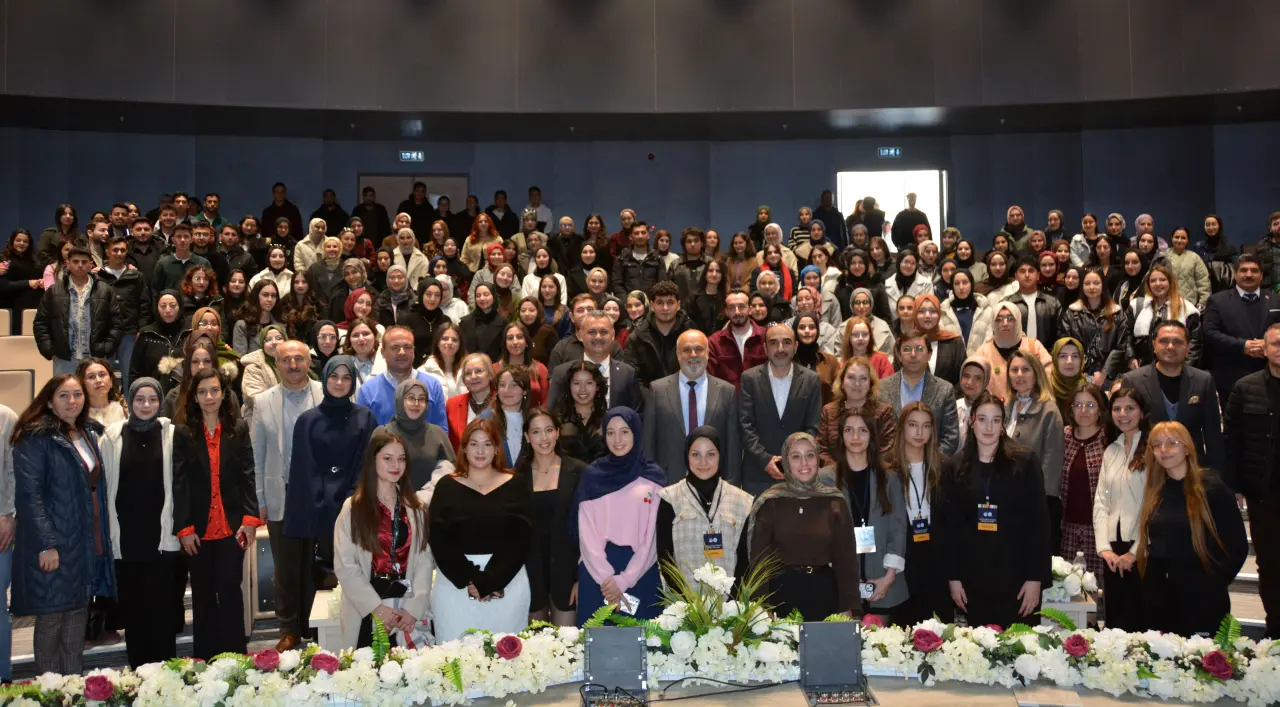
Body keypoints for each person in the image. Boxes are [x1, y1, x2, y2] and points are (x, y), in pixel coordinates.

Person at [11, 375, 115, 675]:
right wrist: (46, 544)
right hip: (54, 542)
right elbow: (29, 496)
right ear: (49, 401)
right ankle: (49, 690)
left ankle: (73, 687)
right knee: (51, 621)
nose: (72, 401)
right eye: (64, 395)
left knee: (76, 621)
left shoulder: (86, 432)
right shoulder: (36, 437)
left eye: (77, 394)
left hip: (83, 540)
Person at [937, 391, 1050, 629]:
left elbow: (1039, 523)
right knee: (981, 647)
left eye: (995, 420)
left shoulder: (1024, 462)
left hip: (1018, 578)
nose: (988, 427)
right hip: (974, 579)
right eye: (982, 419)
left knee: (1022, 648)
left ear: (1003, 425)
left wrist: (1035, 578)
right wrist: (953, 577)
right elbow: (950, 528)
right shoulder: (955, 467)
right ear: (971, 421)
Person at [171, 368, 260, 659]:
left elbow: (248, 474)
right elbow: (179, 482)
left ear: (224, 394)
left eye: (214, 390)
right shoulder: (183, 433)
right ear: (194, 397)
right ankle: (205, 659)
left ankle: (236, 658)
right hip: (197, 529)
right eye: (202, 392)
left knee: (231, 591)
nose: (209, 397)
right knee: (203, 594)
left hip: (232, 526)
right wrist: (184, 528)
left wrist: (250, 520)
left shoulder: (239, 428)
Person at [284, 355, 377, 632]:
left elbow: (369, 463)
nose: (339, 382)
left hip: (357, 508)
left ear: (353, 382)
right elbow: (304, 471)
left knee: (360, 573)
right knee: (322, 581)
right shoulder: (308, 421)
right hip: (321, 510)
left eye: (346, 377)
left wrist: (352, 498)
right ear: (325, 379)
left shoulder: (365, 418)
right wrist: (327, 502)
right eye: (334, 377)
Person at [1136, 421, 1247, 636]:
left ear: (1187, 447)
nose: (1163, 450)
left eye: (1172, 443)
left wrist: (1214, 583)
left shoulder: (1211, 487)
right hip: (1163, 600)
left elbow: (1237, 544)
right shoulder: (1156, 489)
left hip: (1202, 599)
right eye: (1157, 445)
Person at [99, 378, 179, 667]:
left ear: (160, 402)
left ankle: (167, 676)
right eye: (140, 399)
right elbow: (104, 486)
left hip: (162, 536)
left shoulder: (172, 434)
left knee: (163, 611)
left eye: (152, 399)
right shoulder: (112, 437)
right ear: (130, 402)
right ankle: (139, 674)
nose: (146, 405)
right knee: (135, 612)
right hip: (127, 536)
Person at [250, 341, 323, 650]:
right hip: (282, 493)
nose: (293, 365)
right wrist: (260, 499)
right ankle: (288, 628)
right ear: (276, 364)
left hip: (320, 494)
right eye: (286, 360)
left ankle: (315, 624)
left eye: (298, 358)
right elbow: (257, 454)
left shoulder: (326, 393)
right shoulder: (263, 401)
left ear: (309, 362)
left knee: (318, 563)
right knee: (287, 567)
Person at [430, 418, 532, 639]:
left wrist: (491, 580)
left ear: (496, 449)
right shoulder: (446, 486)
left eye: (487, 444)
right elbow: (439, 539)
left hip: (507, 583)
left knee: (506, 654)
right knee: (455, 654)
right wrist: (472, 579)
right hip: (456, 585)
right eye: (474, 444)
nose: (480, 451)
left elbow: (521, 538)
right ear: (464, 448)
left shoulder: (515, 483)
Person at [333, 429, 434, 649]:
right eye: (387, 458)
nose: (395, 465)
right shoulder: (354, 508)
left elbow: (425, 561)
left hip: (406, 609)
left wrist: (413, 609)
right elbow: (345, 566)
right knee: (367, 668)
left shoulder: (416, 508)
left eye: (401, 459)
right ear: (373, 461)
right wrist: (377, 608)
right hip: (368, 608)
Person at [745, 432, 856, 620]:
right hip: (780, 596)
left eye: (810, 455)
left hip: (824, 595)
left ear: (818, 459)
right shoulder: (770, 502)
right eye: (796, 457)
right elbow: (759, 562)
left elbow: (846, 561)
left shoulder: (834, 501)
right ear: (786, 462)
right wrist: (762, 607)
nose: (804, 463)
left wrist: (849, 606)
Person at [573, 408, 665, 622]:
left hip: (641, 572)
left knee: (647, 640)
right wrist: (607, 579)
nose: (617, 440)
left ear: (636, 433)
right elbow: (586, 533)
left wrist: (624, 580)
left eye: (624, 432)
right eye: (610, 432)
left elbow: (652, 538)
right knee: (597, 640)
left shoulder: (653, 477)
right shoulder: (592, 476)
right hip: (597, 577)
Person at [1226, 323, 1280, 635]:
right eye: (1276, 344)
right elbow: (1232, 440)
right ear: (1264, 349)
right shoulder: (1245, 388)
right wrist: (1235, 485)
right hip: (1263, 494)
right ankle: (1275, 631)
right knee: (1269, 565)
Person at [830, 409, 908, 620]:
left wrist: (888, 578)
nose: (855, 437)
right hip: (841, 585)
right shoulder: (826, 479)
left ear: (872, 435)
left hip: (883, 582)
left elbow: (898, 529)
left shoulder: (890, 478)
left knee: (881, 640)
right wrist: (843, 581)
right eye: (849, 430)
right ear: (841, 435)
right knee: (846, 640)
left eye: (862, 430)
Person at [1119, 319, 1224, 471]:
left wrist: (1215, 477)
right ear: (1154, 345)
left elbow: (1213, 436)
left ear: (1188, 347)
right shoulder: (1133, 380)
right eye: (1164, 341)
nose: (1170, 346)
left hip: (1192, 470)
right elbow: (1127, 432)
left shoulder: (1203, 381)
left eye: (1178, 342)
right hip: (1147, 470)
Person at [657, 426, 752, 588]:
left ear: (720, 456)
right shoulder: (670, 498)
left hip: (730, 600)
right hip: (682, 600)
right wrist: (684, 599)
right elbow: (665, 556)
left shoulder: (743, 501)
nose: (703, 462)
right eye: (696, 454)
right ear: (686, 456)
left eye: (711, 454)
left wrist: (733, 599)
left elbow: (745, 557)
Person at [643, 330, 741, 485]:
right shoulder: (657, 390)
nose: (693, 355)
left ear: (708, 353)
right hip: (668, 484)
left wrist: (731, 485)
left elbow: (733, 446)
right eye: (687, 350)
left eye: (699, 349)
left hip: (714, 484)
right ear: (678, 354)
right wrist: (650, 484)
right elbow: (648, 444)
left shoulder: (726, 391)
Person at [518, 409, 586, 626]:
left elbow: (589, 528)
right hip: (530, 571)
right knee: (535, 643)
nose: (544, 438)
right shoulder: (516, 476)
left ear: (557, 432)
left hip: (568, 571)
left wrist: (582, 576)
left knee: (567, 641)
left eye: (548, 430)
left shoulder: (579, 471)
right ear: (527, 436)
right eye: (536, 432)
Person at [738, 324, 823, 495]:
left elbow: (813, 426)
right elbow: (745, 425)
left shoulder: (811, 380)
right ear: (765, 348)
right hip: (758, 473)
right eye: (773, 343)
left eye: (786, 342)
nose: (780, 349)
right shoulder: (749, 379)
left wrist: (793, 460)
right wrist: (765, 460)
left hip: (799, 473)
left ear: (796, 346)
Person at [1093, 387, 1148, 631]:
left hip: (1142, 550)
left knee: (1140, 624)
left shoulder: (1153, 449)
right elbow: (1101, 502)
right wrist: (1105, 549)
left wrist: (1136, 552)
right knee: (1115, 624)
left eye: (1130, 408)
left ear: (1142, 413)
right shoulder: (1111, 450)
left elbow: (1153, 505)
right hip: (1113, 552)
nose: (1122, 414)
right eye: (1117, 409)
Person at [1004, 350, 1066, 553]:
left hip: (1035, 501)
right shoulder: (1006, 407)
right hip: (1005, 497)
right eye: (1014, 370)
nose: (1019, 375)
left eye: (1025, 369)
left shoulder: (1049, 410)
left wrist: (1039, 499)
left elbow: (1052, 462)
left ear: (1036, 373)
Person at [1204, 254, 1280, 406]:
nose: (1249, 275)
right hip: (1231, 376)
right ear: (1235, 274)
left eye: (1254, 271)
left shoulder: (1275, 300)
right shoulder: (1218, 301)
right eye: (1244, 270)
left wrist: (1267, 343)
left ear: (1261, 276)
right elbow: (1209, 333)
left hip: (1272, 378)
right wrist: (1242, 345)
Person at [33, 246, 121, 375]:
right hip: (64, 359)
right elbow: (40, 322)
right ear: (68, 264)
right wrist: (50, 350)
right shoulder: (54, 291)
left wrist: (107, 348)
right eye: (75, 261)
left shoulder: (105, 290)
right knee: (65, 388)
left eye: (84, 262)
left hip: (96, 358)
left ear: (91, 264)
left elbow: (116, 323)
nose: (80, 265)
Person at [879, 332, 961, 455]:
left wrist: (928, 462)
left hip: (931, 463)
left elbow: (950, 438)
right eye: (907, 349)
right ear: (899, 356)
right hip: (890, 463)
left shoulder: (945, 390)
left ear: (929, 355)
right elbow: (876, 433)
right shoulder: (882, 388)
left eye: (919, 349)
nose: (913, 354)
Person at [547, 309, 644, 412]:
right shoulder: (562, 373)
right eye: (592, 332)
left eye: (603, 332)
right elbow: (553, 414)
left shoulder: (627, 374)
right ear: (580, 335)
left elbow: (636, 415)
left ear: (613, 335)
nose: (598, 337)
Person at [356, 326, 449, 429]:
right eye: (395, 347)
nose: (402, 352)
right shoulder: (367, 391)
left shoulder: (432, 385)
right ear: (383, 352)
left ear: (413, 351)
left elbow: (442, 431)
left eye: (407, 347)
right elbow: (363, 434)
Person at [374, 379, 455, 492]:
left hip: (429, 500)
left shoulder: (437, 434)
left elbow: (451, 474)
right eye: (411, 398)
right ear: (399, 400)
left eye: (421, 399)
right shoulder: (383, 433)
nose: (416, 404)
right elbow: (370, 473)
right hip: (390, 500)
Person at [1059, 269, 1132, 388]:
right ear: (1082, 286)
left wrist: (1104, 373)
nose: (1091, 287)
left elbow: (1120, 347)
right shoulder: (1071, 312)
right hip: (1079, 372)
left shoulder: (1117, 312)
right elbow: (1067, 343)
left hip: (1110, 375)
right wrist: (1083, 368)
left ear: (1103, 285)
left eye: (1096, 283)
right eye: (1087, 283)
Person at [1128, 264, 1202, 368]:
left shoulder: (1187, 309)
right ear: (1148, 284)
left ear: (1170, 282)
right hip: (1142, 368)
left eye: (1162, 280)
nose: (1157, 284)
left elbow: (1194, 343)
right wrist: (1130, 357)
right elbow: (1126, 335)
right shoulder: (1136, 306)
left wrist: (1184, 368)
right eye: (1153, 281)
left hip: (1176, 368)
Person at [706, 289, 768, 390]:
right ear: (726, 312)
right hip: (727, 398)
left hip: (760, 397)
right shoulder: (714, 342)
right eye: (731, 308)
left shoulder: (766, 337)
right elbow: (710, 379)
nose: (737, 312)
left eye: (741, 306)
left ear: (750, 309)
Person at [129, 291, 188, 393]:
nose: (168, 310)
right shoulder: (146, 334)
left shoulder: (189, 333)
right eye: (163, 306)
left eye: (172, 305)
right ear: (157, 308)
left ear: (180, 307)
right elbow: (135, 372)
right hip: (152, 395)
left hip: (184, 394)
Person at [1003, 258, 1062, 352]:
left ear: (1038, 275)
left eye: (1031, 271)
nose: (1027, 275)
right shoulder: (1007, 303)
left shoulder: (1053, 303)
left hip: (1046, 355)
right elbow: (1001, 335)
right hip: (1014, 356)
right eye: (1022, 271)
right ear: (1016, 276)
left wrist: (1050, 355)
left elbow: (1060, 336)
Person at [555, 361, 609, 463]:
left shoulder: (609, 420)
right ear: (569, 386)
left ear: (597, 386)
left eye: (589, 383)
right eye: (576, 383)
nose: (582, 389)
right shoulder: (556, 421)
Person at [940, 271, 995, 356]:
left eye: (965, 282)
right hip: (952, 362)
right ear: (952, 287)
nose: (961, 287)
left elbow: (989, 341)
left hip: (980, 361)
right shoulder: (943, 311)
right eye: (957, 283)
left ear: (971, 284)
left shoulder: (986, 310)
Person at [240, 324, 287, 413]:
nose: (274, 342)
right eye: (268, 340)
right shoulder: (254, 367)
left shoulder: (295, 363)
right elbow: (255, 399)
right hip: (264, 417)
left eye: (279, 338)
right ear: (262, 344)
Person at [420, 321, 468, 400]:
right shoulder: (424, 372)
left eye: (454, 340)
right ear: (437, 343)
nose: (450, 342)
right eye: (445, 339)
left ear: (460, 344)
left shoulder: (468, 369)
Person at [231, 280, 282, 355]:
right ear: (256, 296)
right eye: (265, 295)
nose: (270, 299)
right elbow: (240, 357)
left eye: (273, 296)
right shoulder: (242, 325)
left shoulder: (281, 324)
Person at [79, 358, 128, 428]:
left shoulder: (124, 411)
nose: (98, 380)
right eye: (91, 377)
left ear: (111, 382)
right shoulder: (77, 414)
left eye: (102, 375)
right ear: (82, 384)